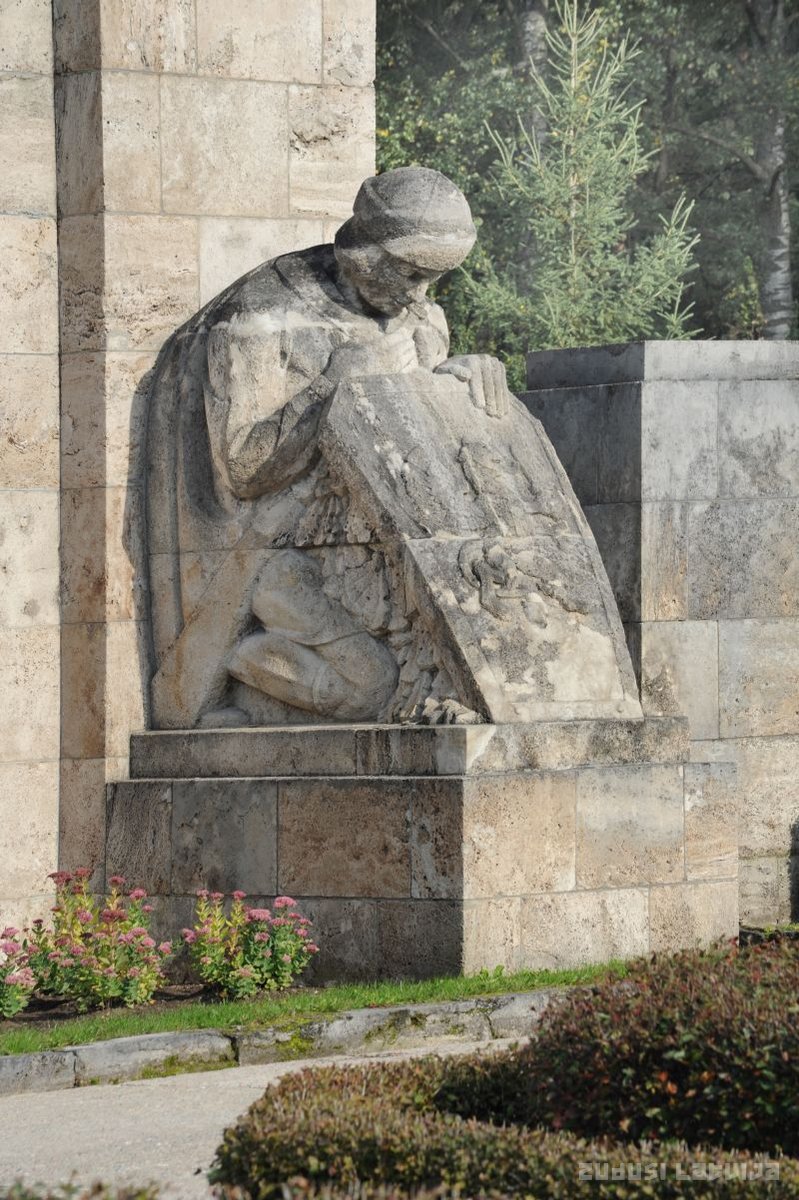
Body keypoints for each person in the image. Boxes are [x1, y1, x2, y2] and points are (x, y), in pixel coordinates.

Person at [146, 167, 510, 728]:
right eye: (411, 272)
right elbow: (244, 469)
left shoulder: (420, 320)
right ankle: (229, 670)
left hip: (376, 542)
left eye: (434, 279)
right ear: (364, 253)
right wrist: (335, 383)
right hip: (272, 549)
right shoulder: (262, 317)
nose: (419, 295)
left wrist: (456, 384)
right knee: (373, 687)